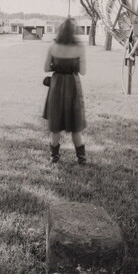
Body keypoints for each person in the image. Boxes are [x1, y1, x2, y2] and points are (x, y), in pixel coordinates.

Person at [42, 17, 87, 164]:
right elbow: (83, 71)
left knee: (55, 125)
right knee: (75, 125)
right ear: (74, 31)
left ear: (60, 30)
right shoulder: (79, 47)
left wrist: (58, 66)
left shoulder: (53, 46)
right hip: (73, 85)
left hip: (57, 85)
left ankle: (54, 157)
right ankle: (81, 158)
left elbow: (46, 68)